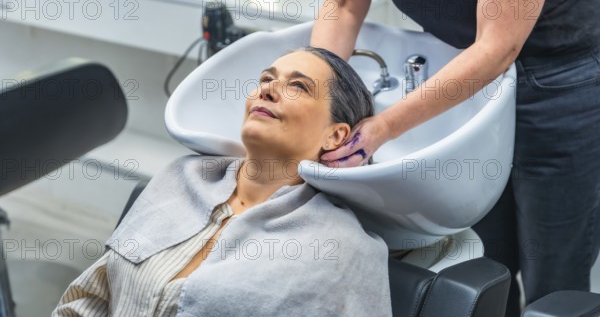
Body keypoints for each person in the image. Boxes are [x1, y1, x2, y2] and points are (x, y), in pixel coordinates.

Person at [311, 0, 600, 315]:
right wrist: (315, 97)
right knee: (482, 263)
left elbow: (498, 46)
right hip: (471, 80)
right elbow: (344, 2)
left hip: (559, 82)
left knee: (551, 277)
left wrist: (383, 126)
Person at [51, 47, 393, 316]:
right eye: (266, 79)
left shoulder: (343, 249)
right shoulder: (181, 179)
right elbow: (95, 294)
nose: (269, 90)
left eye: (298, 86)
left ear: (336, 136)